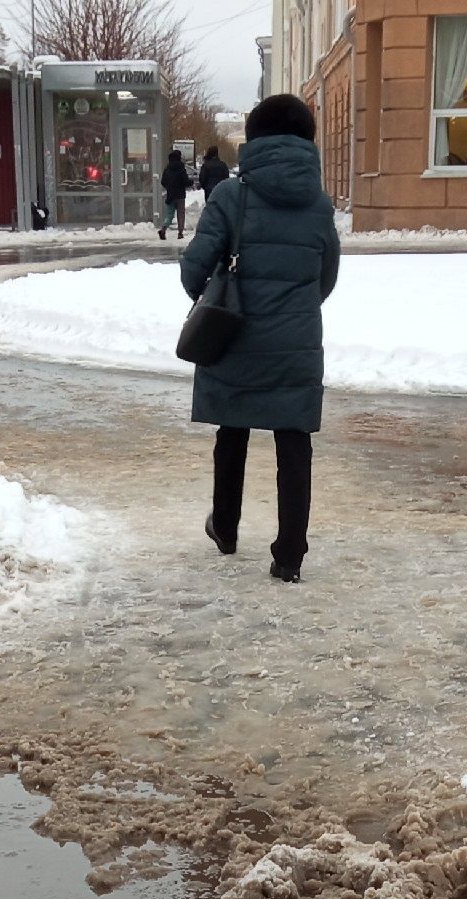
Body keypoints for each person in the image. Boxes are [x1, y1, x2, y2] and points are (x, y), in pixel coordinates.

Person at [180, 95, 337, 584]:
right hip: (296, 343)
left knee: (233, 429)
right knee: (294, 443)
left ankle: (225, 528)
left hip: (234, 339)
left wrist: (215, 294)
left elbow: (193, 270)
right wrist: (293, 307)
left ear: (256, 139)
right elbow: (325, 276)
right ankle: (289, 555)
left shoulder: (230, 196)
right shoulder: (318, 204)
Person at [157, 147, 190, 240]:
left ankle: (163, 229)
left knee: (169, 214)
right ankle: (180, 233)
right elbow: (186, 181)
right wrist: (190, 183)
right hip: (180, 195)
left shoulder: (167, 169)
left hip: (170, 195)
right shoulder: (181, 168)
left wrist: (169, 187)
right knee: (180, 214)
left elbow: (163, 181)